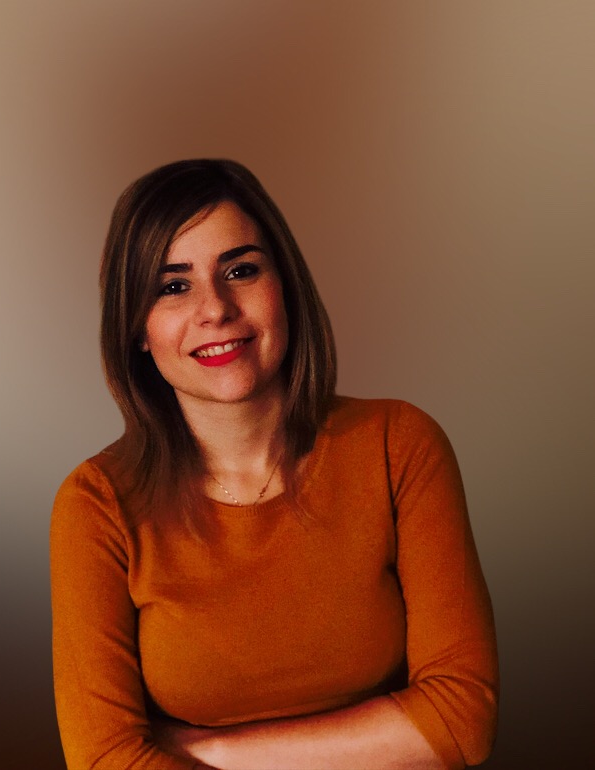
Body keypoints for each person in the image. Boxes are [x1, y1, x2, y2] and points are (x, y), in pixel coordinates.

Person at [49, 159, 498, 770]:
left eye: (240, 270)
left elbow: (462, 719)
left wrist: (214, 751)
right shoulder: (97, 503)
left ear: (283, 287)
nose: (215, 309)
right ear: (137, 329)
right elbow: (105, 759)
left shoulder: (399, 445)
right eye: (173, 286)